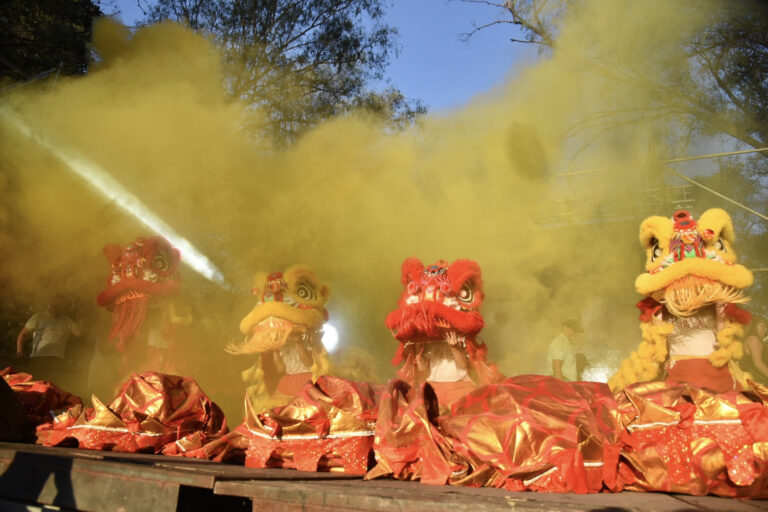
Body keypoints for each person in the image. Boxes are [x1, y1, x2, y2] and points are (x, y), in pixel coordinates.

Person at [16, 295, 81, 383]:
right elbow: (23, 334)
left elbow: (79, 333)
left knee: (54, 387)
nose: (56, 306)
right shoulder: (39, 316)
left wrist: (81, 317)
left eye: (59, 304)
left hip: (57, 360)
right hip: (38, 358)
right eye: (54, 303)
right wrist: (19, 351)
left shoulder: (67, 320)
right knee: (35, 386)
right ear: (49, 304)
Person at [740, 316, 768, 384]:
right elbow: (758, 364)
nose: (765, 330)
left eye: (766, 327)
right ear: (754, 326)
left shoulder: (757, 340)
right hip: (757, 381)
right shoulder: (753, 339)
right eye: (762, 326)